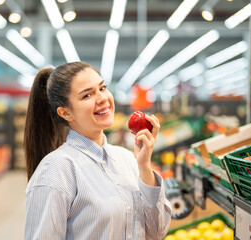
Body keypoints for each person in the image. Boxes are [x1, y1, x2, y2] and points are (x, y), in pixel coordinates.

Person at [24, 61, 171, 240]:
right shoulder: (56, 170)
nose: (102, 98)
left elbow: (157, 233)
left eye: (102, 88)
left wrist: (144, 167)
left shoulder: (126, 158)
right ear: (65, 113)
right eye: (87, 95)